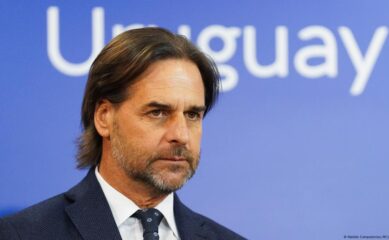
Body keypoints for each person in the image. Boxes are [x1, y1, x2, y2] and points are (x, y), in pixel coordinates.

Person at [0, 27, 245, 240]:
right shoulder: (23, 234)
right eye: (158, 112)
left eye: (192, 115)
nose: (181, 135)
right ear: (104, 117)